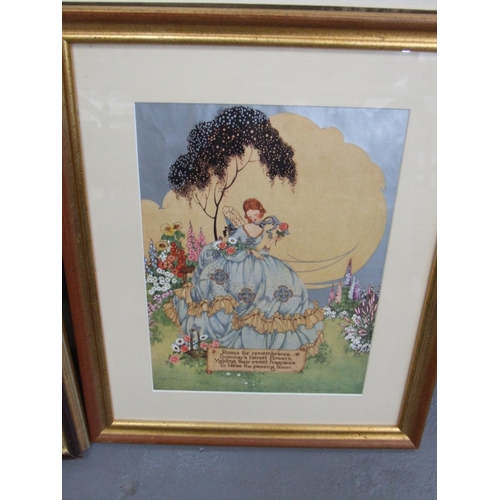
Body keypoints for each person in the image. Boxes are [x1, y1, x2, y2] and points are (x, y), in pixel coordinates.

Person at [164, 198, 324, 354]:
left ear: (261, 212)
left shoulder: (262, 229)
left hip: (257, 263)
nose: (254, 217)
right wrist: (248, 251)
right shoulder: (242, 229)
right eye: (250, 214)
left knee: (280, 282)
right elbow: (231, 247)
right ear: (246, 215)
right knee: (223, 285)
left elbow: (262, 251)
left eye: (256, 213)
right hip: (236, 261)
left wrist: (272, 242)